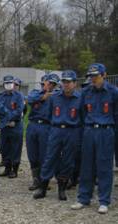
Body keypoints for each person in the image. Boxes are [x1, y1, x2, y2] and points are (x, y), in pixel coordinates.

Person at [71, 63, 118, 214]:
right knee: (87, 165)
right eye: (91, 77)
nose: (93, 79)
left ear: (104, 75)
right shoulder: (86, 92)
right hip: (89, 130)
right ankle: (84, 198)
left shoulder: (113, 92)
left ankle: (104, 200)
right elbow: (82, 113)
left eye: (96, 76)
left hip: (106, 131)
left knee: (104, 166)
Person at [33, 70, 82, 201]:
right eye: (64, 82)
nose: (66, 84)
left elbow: (83, 117)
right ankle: (43, 188)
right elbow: (48, 115)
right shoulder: (54, 97)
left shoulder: (80, 99)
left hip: (72, 131)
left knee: (67, 160)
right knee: (50, 158)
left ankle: (62, 189)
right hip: (56, 130)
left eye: (69, 82)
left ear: (75, 83)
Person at [26, 73, 60, 190]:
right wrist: (42, 97)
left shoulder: (56, 95)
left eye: (53, 84)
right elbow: (29, 99)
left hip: (46, 126)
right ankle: (36, 180)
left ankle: (44, 180)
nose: (50, 85)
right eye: (48, 82)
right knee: (32, 153)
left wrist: (51, 95)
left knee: (44, 154)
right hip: (33, 125)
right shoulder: (36, 93)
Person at [0, 75, 25, 178]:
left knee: (15, 148)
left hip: (16, 125)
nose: (9, 85)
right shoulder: (0, 96)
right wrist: (6, 121)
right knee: (4, 147)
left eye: (10, 83)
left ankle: (14, 170)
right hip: (5, 126)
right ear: (3, 84)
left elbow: (19, 110)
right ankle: (7, 169)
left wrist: (8, 118)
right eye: (6, 83)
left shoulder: (19, 96)